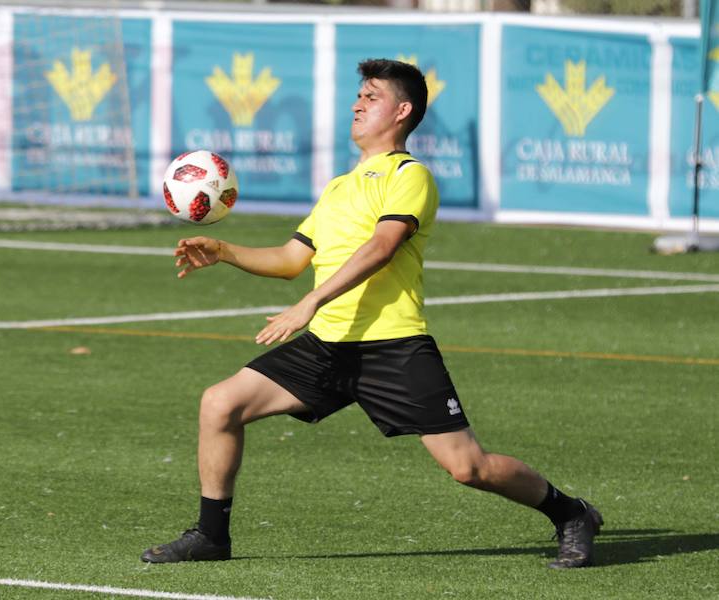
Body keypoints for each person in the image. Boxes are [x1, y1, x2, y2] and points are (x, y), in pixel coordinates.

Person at [141, 58, 602, 569]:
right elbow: (293, 259)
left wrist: (312, 302)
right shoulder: (339, 186)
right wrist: (224, 250)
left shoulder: (410, 176)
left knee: (467, 467)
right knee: (220, 404)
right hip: (329, 347)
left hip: (393, 347)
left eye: (372, 96)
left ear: (403, 111)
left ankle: (572, 513)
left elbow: (382, 247)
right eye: (358, 95)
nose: (358, 104)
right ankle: (211, 536)